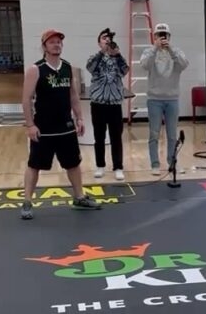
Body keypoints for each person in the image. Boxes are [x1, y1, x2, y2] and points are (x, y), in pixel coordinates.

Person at [21, 29, 102, 220]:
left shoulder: (67, 67)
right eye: (52, 42)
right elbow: (26, 99)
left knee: (73, 164)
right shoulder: (36, 69)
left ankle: (79, 197)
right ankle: (26, 201)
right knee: (35, 165)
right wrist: (30, 125)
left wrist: (79, 118)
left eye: (59, 42)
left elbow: (73, 95)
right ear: (44, 46)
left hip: (65, 126)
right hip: (44, 127)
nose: (56, 44)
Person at [140, 23, 188, 176]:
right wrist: (155, 48)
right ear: (154, 37)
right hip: (154, 99)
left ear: (169, 37)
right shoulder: (149, 52)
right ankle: (155, 164)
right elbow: (145, 65)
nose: (162, 38)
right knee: (154, 133)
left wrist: (171, 50)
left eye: (165, 35)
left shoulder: (177, 52)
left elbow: (183, 65)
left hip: (172, 99)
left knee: (172, 134)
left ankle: (172, 162)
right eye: (159, 35)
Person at [86, 29, 129, 181]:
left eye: (109, 38)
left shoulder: (117, 58)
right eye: (104, 38)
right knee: (99, 137)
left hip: (115, 104)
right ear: (99, 42)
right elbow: (90, 68)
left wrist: (117, 54)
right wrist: (102, 53)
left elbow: (125, 71)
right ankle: (100, 166)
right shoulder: (94, 58)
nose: (107, 40)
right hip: (98, 104)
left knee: (116, 137)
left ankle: (118, 167)